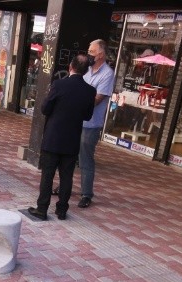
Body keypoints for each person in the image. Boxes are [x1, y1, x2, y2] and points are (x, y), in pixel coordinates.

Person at [27, 55, 95, 221]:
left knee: (47, 175)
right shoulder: (90, 90)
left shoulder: (59, 84)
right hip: (72, 139)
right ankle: (62, 210)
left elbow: (45, 108)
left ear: (71, 66)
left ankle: (42, 209)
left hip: (53, 137)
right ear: (86, 71)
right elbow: (87, 115)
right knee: (67, 176)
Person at [77, 39, 115, 208]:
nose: (89, 54)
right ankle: (65, 186)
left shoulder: (107, 73)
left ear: (101, 54)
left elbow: (98, 99)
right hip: (76, 119)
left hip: (91, 124)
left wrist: (74, 101)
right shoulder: (86, 70)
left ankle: (86, 193)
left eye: (92, 52)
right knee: (70, 156)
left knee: (85, 159)